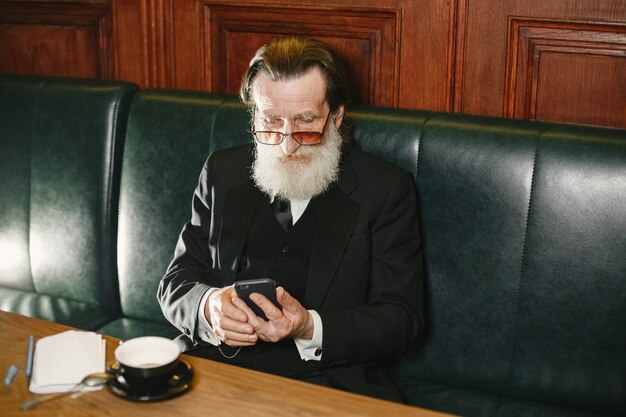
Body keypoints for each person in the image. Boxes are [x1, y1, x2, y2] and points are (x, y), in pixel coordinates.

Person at [157, 36, 423, 401]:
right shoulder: (222, 170)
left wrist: (307, 326)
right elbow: (175, 282)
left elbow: (402, 318)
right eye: (270, 122)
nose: (286, 144)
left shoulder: (386, 189)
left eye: (305, 122)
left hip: (324, 383)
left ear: (336, 117)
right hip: (214, 370)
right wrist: (209, 308)